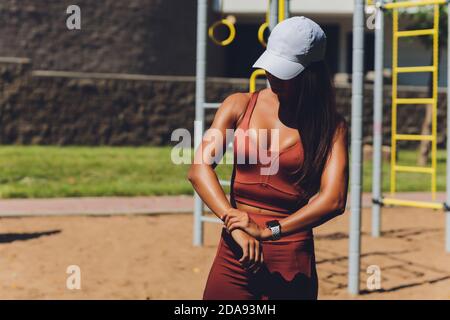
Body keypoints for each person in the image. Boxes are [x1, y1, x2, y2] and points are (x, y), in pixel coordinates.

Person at [188, 16, 349, 300]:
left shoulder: (330, 126)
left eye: (284, 72)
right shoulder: (238, 105)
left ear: (311, 73)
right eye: (270, 67)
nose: (272, 76)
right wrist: (234, 223)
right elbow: (199, 167)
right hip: (235, 253)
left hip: (291, 260)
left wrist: (269, 231)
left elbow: (334, 200)